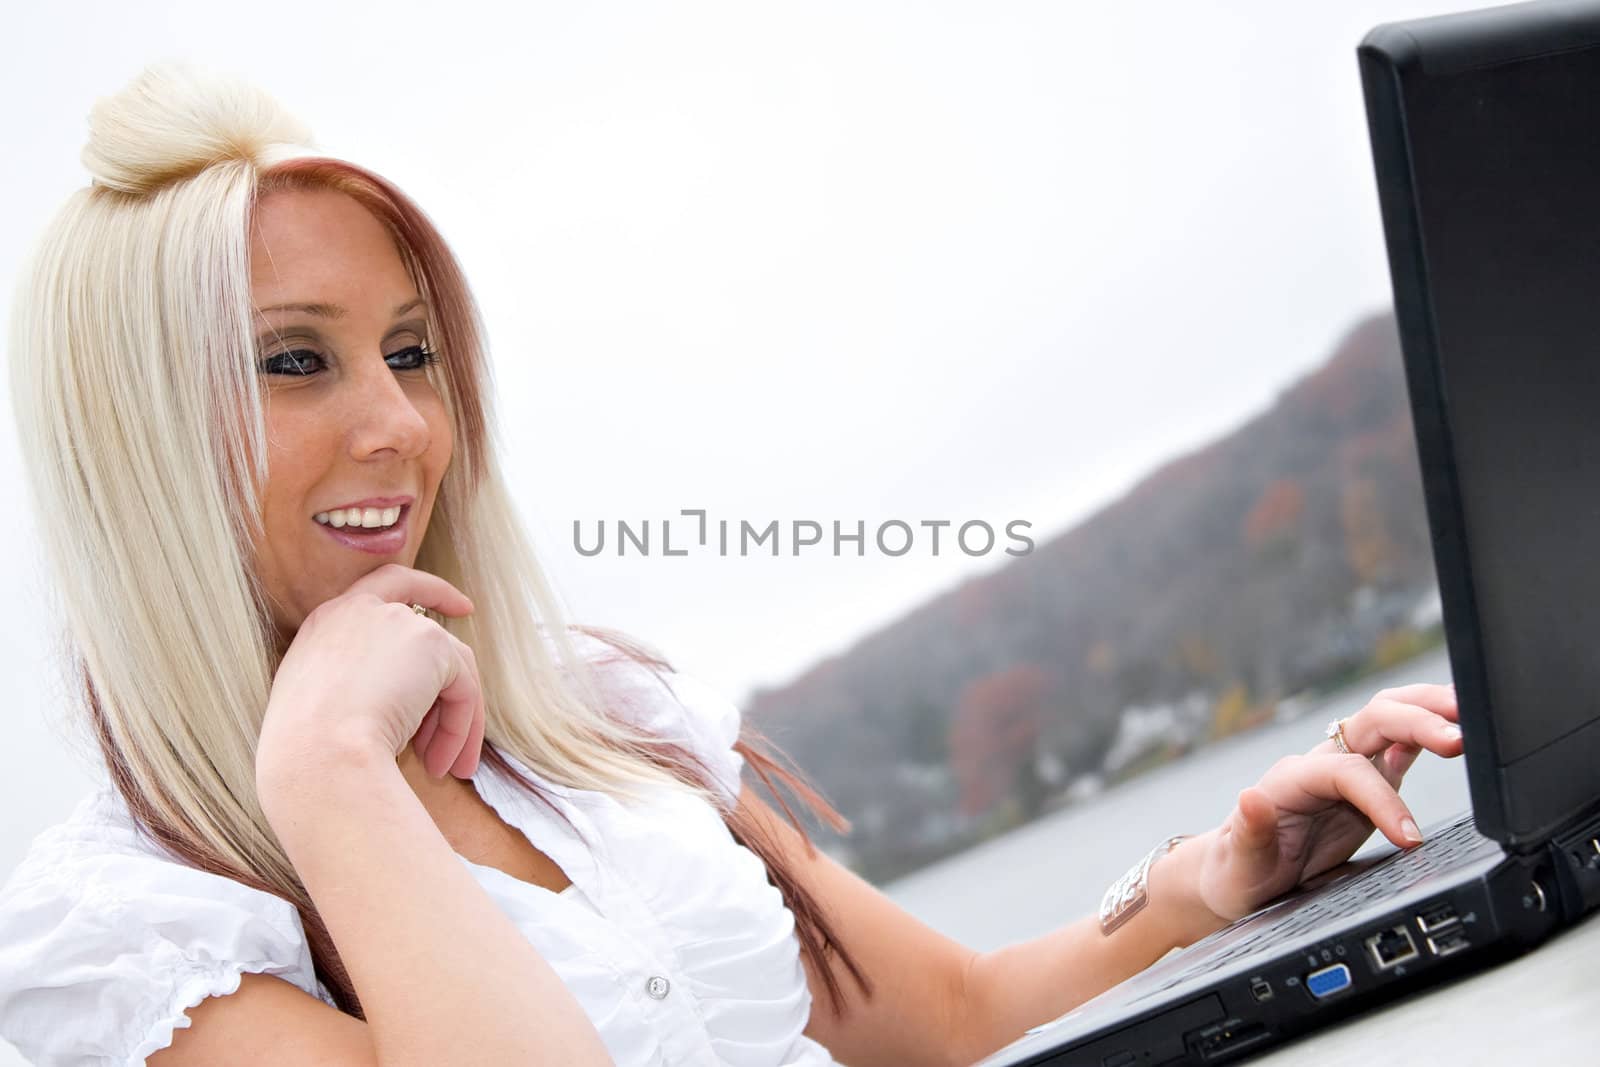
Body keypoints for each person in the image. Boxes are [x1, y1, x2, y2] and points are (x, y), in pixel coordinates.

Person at [0, 62, 1464, 1067]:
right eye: (294, 360)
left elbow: (951, 1018)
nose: (398, 424)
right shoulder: (130, 939)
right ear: (135, 438)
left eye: (411, 350)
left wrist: (1220, 873)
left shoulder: (588, 721)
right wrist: (326, 771)